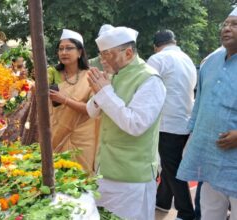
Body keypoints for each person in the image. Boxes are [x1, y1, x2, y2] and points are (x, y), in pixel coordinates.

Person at [86, 25, 166, 220]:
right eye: (101, 55)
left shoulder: (150, 79)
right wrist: (100, 92)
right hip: (104, 170)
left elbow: (136, 124)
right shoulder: (115, 75)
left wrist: (105, 92)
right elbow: (91, 111)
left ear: (128, 53)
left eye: (108, 55)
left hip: (132, 177)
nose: (103, 60)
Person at [176, 8, 237, 220]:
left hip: (235, 159)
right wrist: (193, 136)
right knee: (209, 210)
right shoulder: (210, 62)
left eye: (234, 24)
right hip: (210, 154)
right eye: (225, 24)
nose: (227, 28)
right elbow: (200, 104)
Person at [147, 29, 197, 220]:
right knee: (170, 164)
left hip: (167, 123)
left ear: (156, 46)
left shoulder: (157, 59)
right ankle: (163, 200)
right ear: (174, 41)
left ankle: (186, 212)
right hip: (185, 120)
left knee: (172, 167)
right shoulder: (187, 59)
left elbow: (148, 90)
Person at [48, 29, 98, 174]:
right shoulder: (51, 74)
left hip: (83, 138)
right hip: (56, 134)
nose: (64, 52)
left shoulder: (91, 76)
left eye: (69, 48)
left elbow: (92, 110)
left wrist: (64, 100)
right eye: (61, 49)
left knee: (81, 182)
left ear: (80, 52)